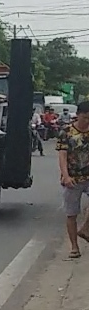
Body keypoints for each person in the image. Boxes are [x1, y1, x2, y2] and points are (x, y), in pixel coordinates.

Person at [58, 105, 89, 258]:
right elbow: (62, 155)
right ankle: (74, 247)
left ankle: (85, 229)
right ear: (78, 115)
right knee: (71, 214)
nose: (87, 121)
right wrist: (65, 175)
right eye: (85, 117)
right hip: (73, 177)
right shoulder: (66, 132)